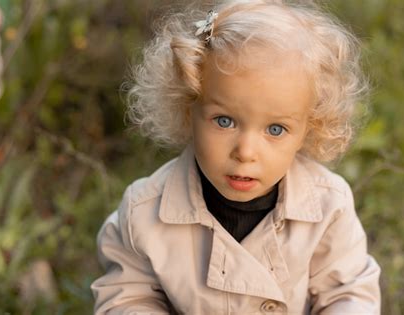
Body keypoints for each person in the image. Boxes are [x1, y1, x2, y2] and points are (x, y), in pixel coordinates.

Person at [91, 0, 381, 314]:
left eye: (275, 128)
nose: (245, 152)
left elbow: (348, 294)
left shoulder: (327, 206)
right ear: (188, 109)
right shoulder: (143, 214)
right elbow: (127, 298)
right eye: (224, 121)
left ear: (309, 128)